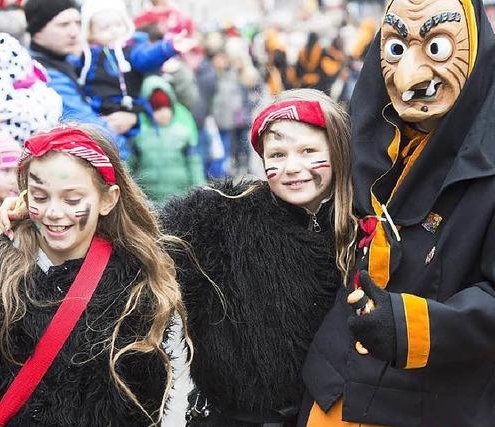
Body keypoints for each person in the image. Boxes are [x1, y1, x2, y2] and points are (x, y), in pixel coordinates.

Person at [0, 124, 192, 426]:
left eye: (72, 199)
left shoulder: (134, 286)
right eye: (40, 197)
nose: (54, 213)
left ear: (108, 199)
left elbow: (141, 406)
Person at [298, 0, 495, 425]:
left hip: (431, 403)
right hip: (331, 388)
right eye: (396, 49)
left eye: (437, 47)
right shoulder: (368, 145)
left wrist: (414, 325)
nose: (408, 74)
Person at [161, 89, 355, 426]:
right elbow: (146, 259)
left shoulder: (365, 225)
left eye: (308, 151)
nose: (292, 167)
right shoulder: (217, 220)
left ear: (337, 150)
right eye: (277, 155)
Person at [23, 0, 135, 160]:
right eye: (63, 25)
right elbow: (93, 132)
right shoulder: (42, 74)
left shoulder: (68, 61)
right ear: (37, 30)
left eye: (77, 23)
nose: (74, 32)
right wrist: (128, 154)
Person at [74, 0, 196, 137]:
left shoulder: (131, 49)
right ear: (90, 32)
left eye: (118, 24)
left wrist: (167, 47)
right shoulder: (86, 55)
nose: (113, 31)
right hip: (96, 110)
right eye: (104, 28)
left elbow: (146, 56)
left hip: (128, 108)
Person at [129, 75, 205, 203]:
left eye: (166, 107)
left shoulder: (183, 134)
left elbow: (194, 164)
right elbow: (130, 167)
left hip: (179, 200)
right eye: (157, 109)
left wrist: (200, 191)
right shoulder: (139, 135)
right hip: (149, 202)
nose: (163, 113)